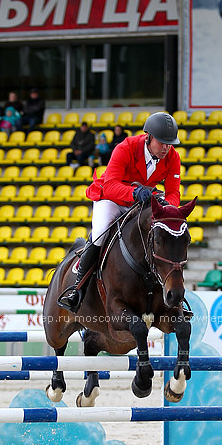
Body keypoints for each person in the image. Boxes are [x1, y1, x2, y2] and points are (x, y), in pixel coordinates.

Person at [58, 112, 181, 313]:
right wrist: (135, 192)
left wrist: (167, 206)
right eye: (162, 142)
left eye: (170, 143)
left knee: (163, 236)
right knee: (100, 233)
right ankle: (77, 288)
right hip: (112, 198)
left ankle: (166, 291)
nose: (167, 148)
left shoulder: (172, 157)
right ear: (148, 137)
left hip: (143, 201)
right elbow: (111, 184)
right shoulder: (126, 147)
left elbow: (174, 192)